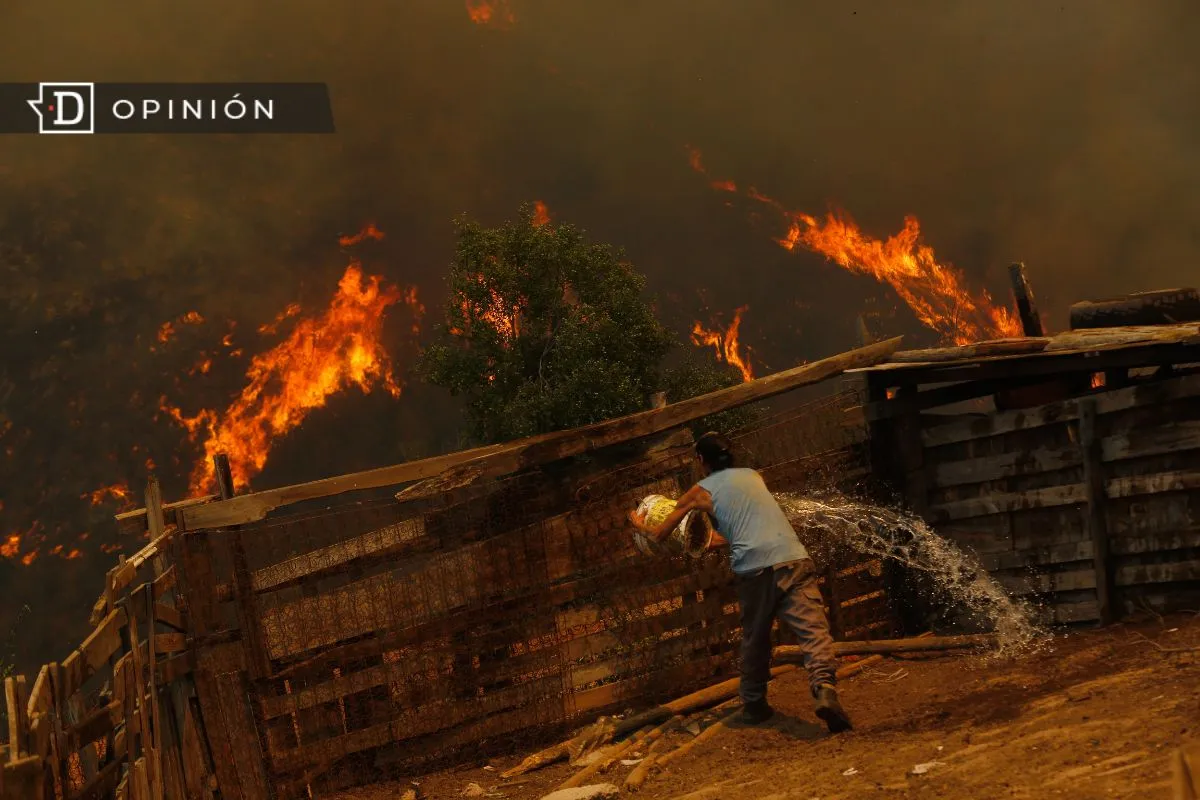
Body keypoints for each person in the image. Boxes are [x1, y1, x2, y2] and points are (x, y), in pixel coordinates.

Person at [629, 431, 852, 731]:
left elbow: (660, 536)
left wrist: (639, 525)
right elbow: (745, 527)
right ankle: (824, 688)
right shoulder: (754, 476)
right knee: (813, 629)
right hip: (793, 557)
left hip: (755, 570)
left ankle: (755, 704)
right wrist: (706, 540)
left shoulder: (698, 491)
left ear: (700, 461)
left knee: (756, 638)